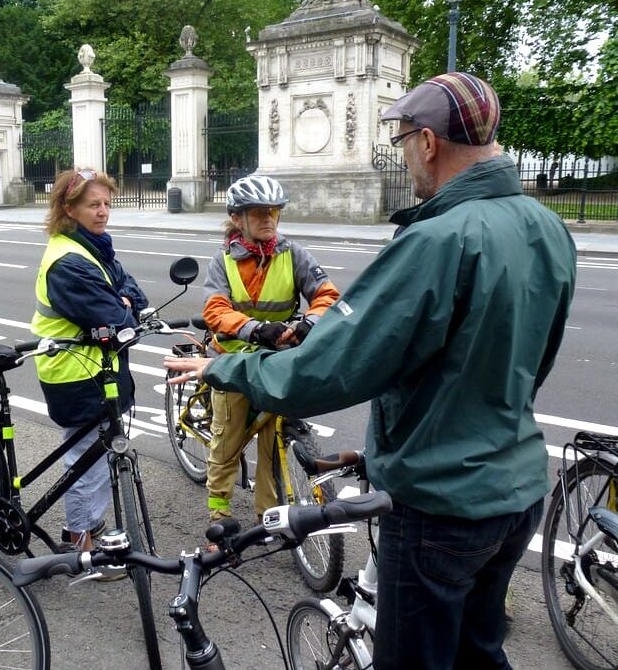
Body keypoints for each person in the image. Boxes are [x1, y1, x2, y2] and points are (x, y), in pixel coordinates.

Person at [164, 72, 577, 669]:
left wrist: (222, 371)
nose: (403, 154)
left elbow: (331, 367)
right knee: (478, 652)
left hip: (438, 502)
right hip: (515, 487)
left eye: (403, 139)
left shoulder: (436, 239)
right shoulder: (546, 227)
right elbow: (526, 362)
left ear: (429, 143)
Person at [201, 174, 339, 526]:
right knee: (227, 442)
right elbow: (215, 310)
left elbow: (328, 296)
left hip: (278, 361)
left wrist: (309, 321)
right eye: (258, 213)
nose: (268, 220)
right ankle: (219, 512)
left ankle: (269, 516)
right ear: (237, 219)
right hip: (235, 362)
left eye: (274, 212)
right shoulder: (225, 261)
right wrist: (256, 329)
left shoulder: (293, 254)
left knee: (272, 442)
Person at [30, 168, 148, 557]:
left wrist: (124, 302)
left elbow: (135, 295)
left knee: (95, 455)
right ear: (69, 209)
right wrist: (123, 306)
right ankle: (78, 538)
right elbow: (119, 318)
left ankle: (87, 522)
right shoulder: (69, 261)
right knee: (85, 458)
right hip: (76, 372)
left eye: (106, 204)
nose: (102, 212)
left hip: (98, 370)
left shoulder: (93, 247)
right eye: (92, 205)